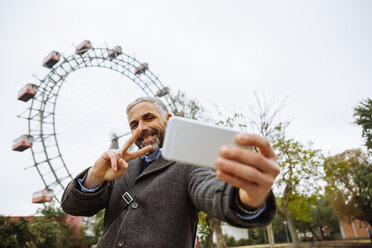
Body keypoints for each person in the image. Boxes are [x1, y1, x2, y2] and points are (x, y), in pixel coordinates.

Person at [61, 96, 280, 247]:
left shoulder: (188, 164)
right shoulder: (118, 169)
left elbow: (211, 191)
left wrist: (247, 195)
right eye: (133, 124)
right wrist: (94, 177)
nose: (141, 128)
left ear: (169, 120)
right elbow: (72, 207)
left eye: (149, 118)